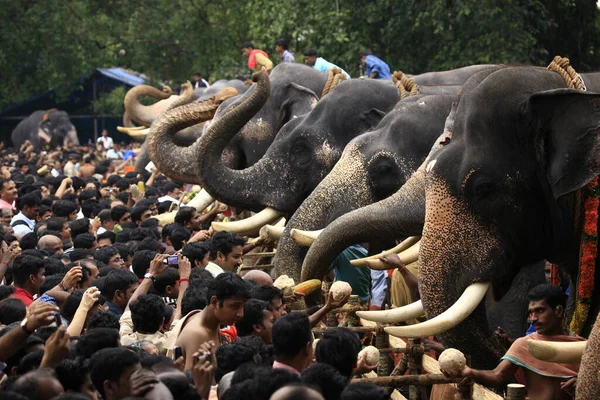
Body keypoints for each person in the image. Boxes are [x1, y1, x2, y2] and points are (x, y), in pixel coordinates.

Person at [450, 284, 584, 400]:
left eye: (540, 311)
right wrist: (470, 372)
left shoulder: (582, 346)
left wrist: (582, 383)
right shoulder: (525, 344)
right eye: (530, 313)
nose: (533, 319)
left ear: (558, 311)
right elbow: (497, 376)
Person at [174, 272, 250, 370]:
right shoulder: (197, 333)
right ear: (214, 302)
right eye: (235, 306)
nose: (241, 314)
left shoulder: (213, 322)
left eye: (243, 307)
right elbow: (195, 381)